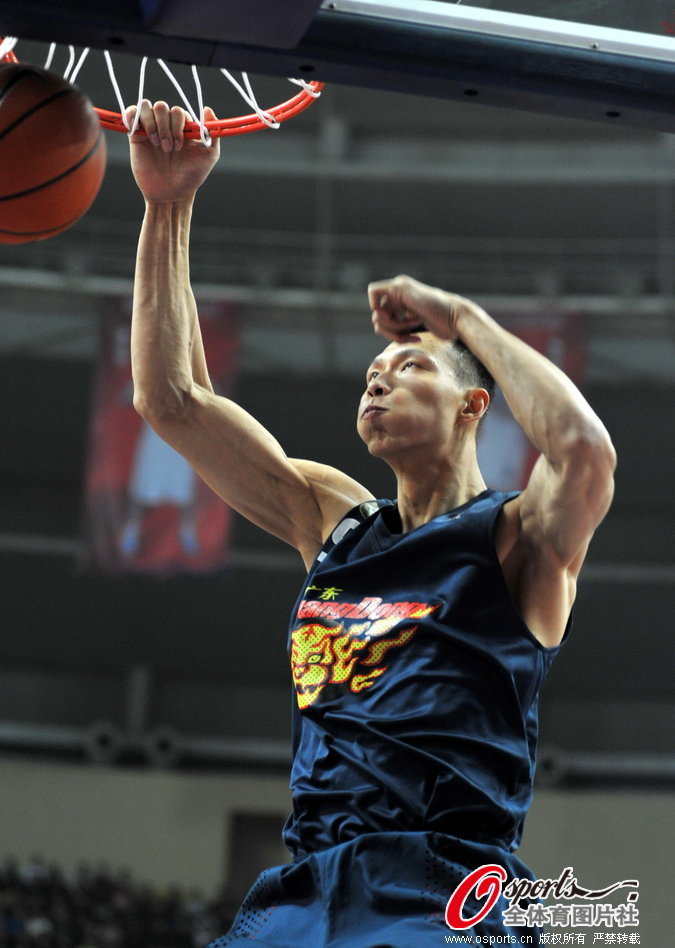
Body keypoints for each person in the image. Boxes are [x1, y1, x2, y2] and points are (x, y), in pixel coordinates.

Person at [127, 101, 616, 948]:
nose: (376, 382)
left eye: (407, 366)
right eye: (371, 372)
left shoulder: (517, 538)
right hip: (303, 891)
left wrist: (458, 318)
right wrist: (167, 203)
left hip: (444, 892)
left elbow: (582, 451)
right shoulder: (334, 519)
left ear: (472, 404)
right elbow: (171, 401)